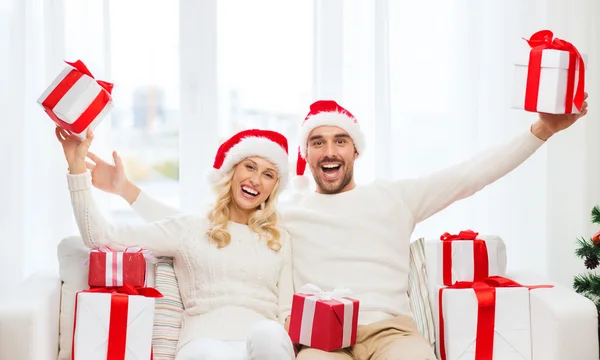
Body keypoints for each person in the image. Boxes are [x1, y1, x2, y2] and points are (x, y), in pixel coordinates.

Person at [83, 95, 589, 360]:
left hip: (391, 330)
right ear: (305, 156)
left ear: (355, 150)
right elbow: (204, 230)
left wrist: (541, 130)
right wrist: (126, 192)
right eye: (318, 141)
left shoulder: (395, 198)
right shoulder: (284, 217)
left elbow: (471, 175)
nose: (329, 150)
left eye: (340, 140)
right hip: (320, 341)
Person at [55, 126, 297, 360]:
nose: (256, 180)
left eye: (268, 174)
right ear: (231, 171)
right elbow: (100, 236)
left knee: (269, 334)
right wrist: (77, 170)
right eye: (250, 167)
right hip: (203, 343)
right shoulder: (189, 229)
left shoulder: (279, 239)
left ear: (274, 188)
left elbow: (286, 312)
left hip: (263, 346)